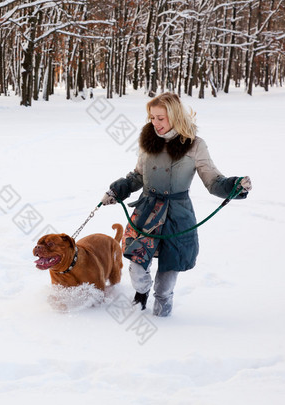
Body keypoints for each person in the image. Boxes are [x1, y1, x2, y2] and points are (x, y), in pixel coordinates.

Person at [101, 92, 251, 317]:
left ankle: (164, 319)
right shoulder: (148, 142)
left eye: (160, 118)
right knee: (137, 267)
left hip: (177, 214)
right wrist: (117, 190)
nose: (155, 123)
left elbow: (213, 181)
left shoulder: (195, 145)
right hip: (147, 212)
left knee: (167, 276)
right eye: (152, 118)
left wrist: (234, 186)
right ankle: (141, 293)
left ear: (175, 116)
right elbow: (138, 176)